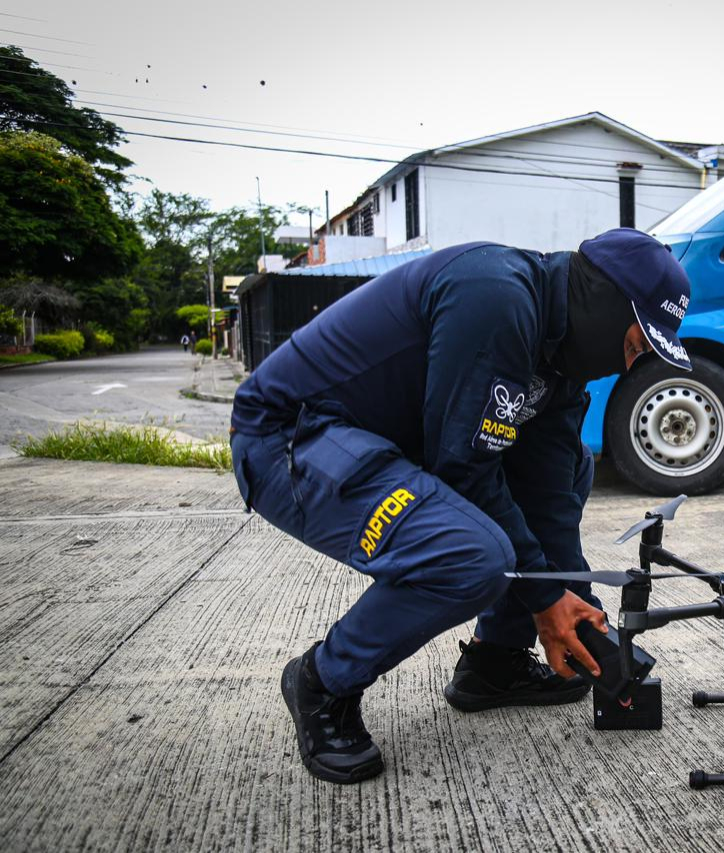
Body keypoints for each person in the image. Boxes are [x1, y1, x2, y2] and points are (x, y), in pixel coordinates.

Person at [229, 229, 692, 784]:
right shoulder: (495, 296)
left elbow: (546, 494)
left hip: (384, 444)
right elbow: (464, 468)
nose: (626, 366)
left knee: (572, 466)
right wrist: (544, 597)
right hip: (290, 437)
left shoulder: (559, 360)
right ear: (605, 302)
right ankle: (322, 682)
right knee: (475, 555)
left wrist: (577, 617)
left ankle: (495, 663)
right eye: (635, 343)